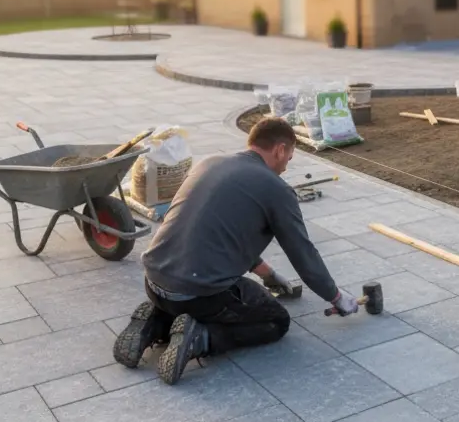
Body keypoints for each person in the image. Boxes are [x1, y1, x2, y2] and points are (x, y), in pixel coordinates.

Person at [114, 117, 360, 385]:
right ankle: (201, 338)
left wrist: (268, 274)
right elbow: (302, 252)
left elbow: (214, 230)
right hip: (198, 295)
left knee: (189, 294)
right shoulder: (276, 189)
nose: (286, 167)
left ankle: (155, 322)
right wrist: (336, 297)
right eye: (289, 158)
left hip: (154, 281)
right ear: (280, 150)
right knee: (276, 321)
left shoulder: (210, 163)